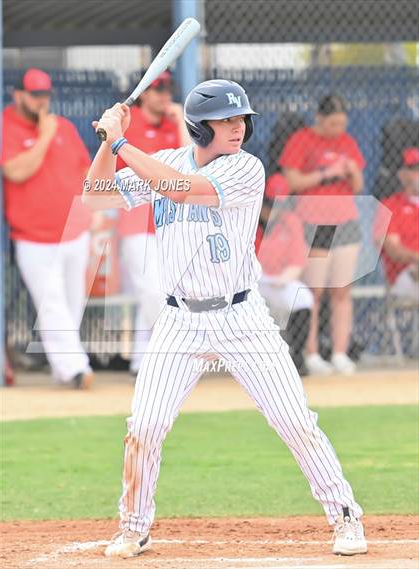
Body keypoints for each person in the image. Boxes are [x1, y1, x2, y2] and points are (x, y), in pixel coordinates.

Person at [83, 80, 367, 558]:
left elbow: (183, 189)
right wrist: (107, 148)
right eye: (226, 120)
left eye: (241, 119)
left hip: (241, 316)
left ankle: (344, 515)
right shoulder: (166, 159)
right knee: (145, 426)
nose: (238, 128)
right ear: (199, 126)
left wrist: (122, 143)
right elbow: (96, 197)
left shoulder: (245, 169)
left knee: (294, 420)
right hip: (178, 321)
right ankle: (133, 526)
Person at [1, 68, 94, 389]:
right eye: (35, 95)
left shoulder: (65, 127)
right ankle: (76, 369)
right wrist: (43, 136)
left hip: (74, 231)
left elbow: (85, 171)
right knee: (52, 304)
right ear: (19, 95)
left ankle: (63, 369)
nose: (41, 101)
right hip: (34, 237)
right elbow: (15, 171)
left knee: (73, 304)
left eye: (45, 95)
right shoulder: (7, 126)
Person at [280, 95, 366, 376]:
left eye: (341, 123)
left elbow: (357, 185)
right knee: (313, 291)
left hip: (345, 220)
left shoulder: (347, 142)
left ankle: (340, 352)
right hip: (316, 222)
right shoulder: (301, 140)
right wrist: (327, 173)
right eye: (332, 123)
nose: (337, 129)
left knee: (342, 290)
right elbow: (293, 181)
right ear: (319, 118)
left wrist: (350, 171)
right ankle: (312, 352)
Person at [117, 71, 190, 375]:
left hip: (169, 224)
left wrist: (182, 122)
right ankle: (169, 357)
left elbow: (191, 162)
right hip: (136, 222)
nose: (164, 95)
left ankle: (141, 361)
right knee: (151, 292)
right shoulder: (129, 121)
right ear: (144, 93)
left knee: (164, 291)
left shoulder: (174, 125)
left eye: (168, 89)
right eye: (157, 88)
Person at [256, 172, 313, 376]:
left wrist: (287, 277)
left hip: (278, 281)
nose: (273, 210)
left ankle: (297, 355)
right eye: (269, 204)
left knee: (303, 296)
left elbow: (297, 261)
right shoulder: (246, 219)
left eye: (278, 205)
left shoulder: (290, 221)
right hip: (247, 282)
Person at [374, 147, 419, 302]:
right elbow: (393, 249)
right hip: (406, 275)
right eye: (415, 169)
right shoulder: (390, 206)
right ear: (401, 175)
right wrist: (416, 258)